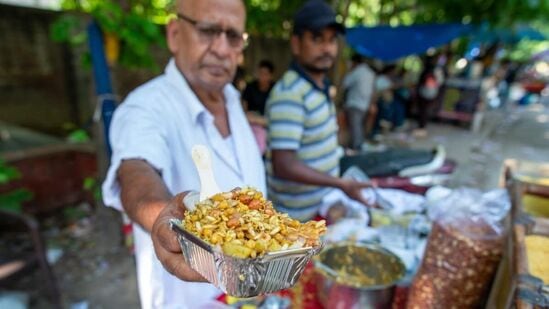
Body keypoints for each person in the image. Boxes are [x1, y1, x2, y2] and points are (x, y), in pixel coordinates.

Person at [101, 0, 266, 308]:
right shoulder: (146, 107)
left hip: (249, 289)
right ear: (175, 34)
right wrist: (165, 218)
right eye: (208, 31)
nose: (221, 49)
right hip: (191, 298)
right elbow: (136, 171)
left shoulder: (231, 98)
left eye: (233, 37)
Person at [265, 0, 372, 221]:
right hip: (297, 219)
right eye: (316, 39)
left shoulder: (319, 87)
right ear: (296, 44)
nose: (327, 48)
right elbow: (283, 165)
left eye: (332, 40)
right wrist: (340, 183)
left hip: (323, 203)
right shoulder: (290, 93)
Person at [341, 53, 376, 150]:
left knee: (355, 127)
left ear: (354, 62)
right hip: (365, 104)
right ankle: (359, 144)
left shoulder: (356, 72)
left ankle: (357, 146)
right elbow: (373, 89)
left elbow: (345, 83)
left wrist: (348, 71)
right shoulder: (370, 73)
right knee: (359, 126)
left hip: (354, 103)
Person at [242, 60, 275, 154]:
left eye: (265, 74)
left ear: (271, 75)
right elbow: (244, 109)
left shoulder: (275, 89)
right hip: (252, 121)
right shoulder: (250, 87)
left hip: (268, 121)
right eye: (260, 73)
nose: (262, 76)